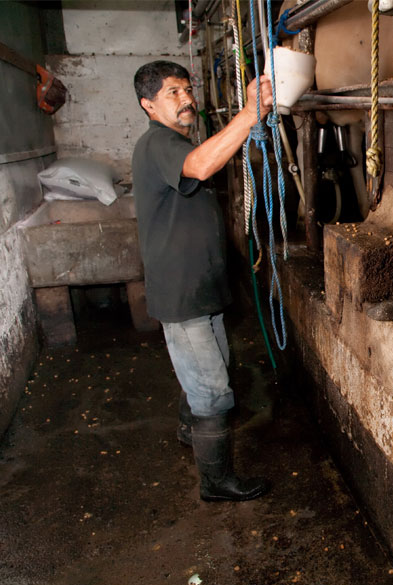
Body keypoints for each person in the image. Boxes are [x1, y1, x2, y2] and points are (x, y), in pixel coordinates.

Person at [132, 60, 272, 502]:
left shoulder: (170, 141)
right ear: (148, 105)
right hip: (184, 295)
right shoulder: (160, 143)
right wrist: (250, 114)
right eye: (173, 92)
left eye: (187, 89)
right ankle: (216, 482)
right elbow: (201, 166)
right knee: (213, 392)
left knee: (207, 371)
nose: (187, 98)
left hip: (198, 289)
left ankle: (189, 429)